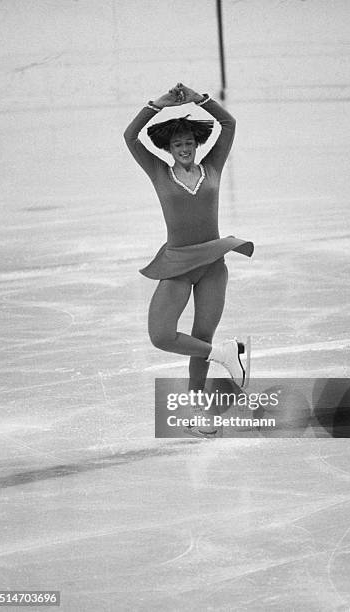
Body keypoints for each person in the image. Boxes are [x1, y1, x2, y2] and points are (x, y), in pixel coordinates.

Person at [124, 83, 253, 435]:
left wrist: (202, 100)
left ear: (197, 146)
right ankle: (226, 355)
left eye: (189, 143)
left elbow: (228, 125)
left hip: (212, 262)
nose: (184, 148)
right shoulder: (158, 171)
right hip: (178, 264)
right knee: (162, 335)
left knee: (201, 334)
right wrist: (156, 106)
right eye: (178, 144)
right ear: (168, 148)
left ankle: (199, 410)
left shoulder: (212, 167)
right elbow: (130, 136)